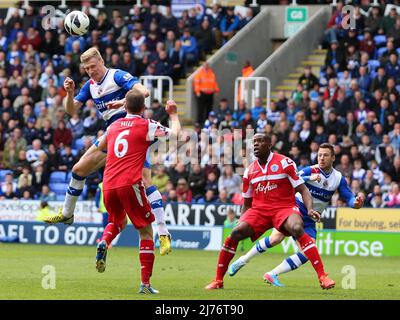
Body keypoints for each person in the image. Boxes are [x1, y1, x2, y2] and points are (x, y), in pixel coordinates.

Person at [42, 47, 172, 255]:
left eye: (93, 66)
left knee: (145, 182)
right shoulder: (90, 86)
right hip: (113, 135)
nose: (90, 71)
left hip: (134, 132)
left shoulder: (118, 76)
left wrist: (122, 102)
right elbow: (71, 110)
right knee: (78, 169)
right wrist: (69, 93)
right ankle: (67, 213)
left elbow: (144, 91)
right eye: (86, 68)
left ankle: (163, 234)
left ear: (102, 61)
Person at [205, 134, 335, 290]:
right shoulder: (249, 171)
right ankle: (218, 280)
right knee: (235, 233)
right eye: (254, 142)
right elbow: (247, 202)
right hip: (260, 210)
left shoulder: (285, 163)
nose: (256, 145)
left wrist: (309, 209)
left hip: (284, 208)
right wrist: (241, 219)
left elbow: (303, 189)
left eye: (260, 141)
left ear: (269, 144)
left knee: (297, 227)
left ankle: (323, 277)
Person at [229, 143, 364, 287]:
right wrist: (310, 177)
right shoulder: (310, 170)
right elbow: (291, 179)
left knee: (306, 253)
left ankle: (272, 274)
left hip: (311, 219)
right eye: (319, 155)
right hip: (296, 209)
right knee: (276, 238)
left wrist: (355, 203)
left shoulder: (338, 178)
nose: (321, 158)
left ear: (333, 158)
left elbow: (348, 197)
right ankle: (242, 260)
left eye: (325, 155)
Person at [95, 90, 181, 294]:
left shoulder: (113, 126)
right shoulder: (147, 124)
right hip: (129, 183)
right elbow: (176, 135)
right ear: (143, 109)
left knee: (117, 222)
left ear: (125, 107)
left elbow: (101, 146)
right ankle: (145, 284)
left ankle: (104, 242)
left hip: (108, 183)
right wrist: (174, 114)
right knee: (145, 231)